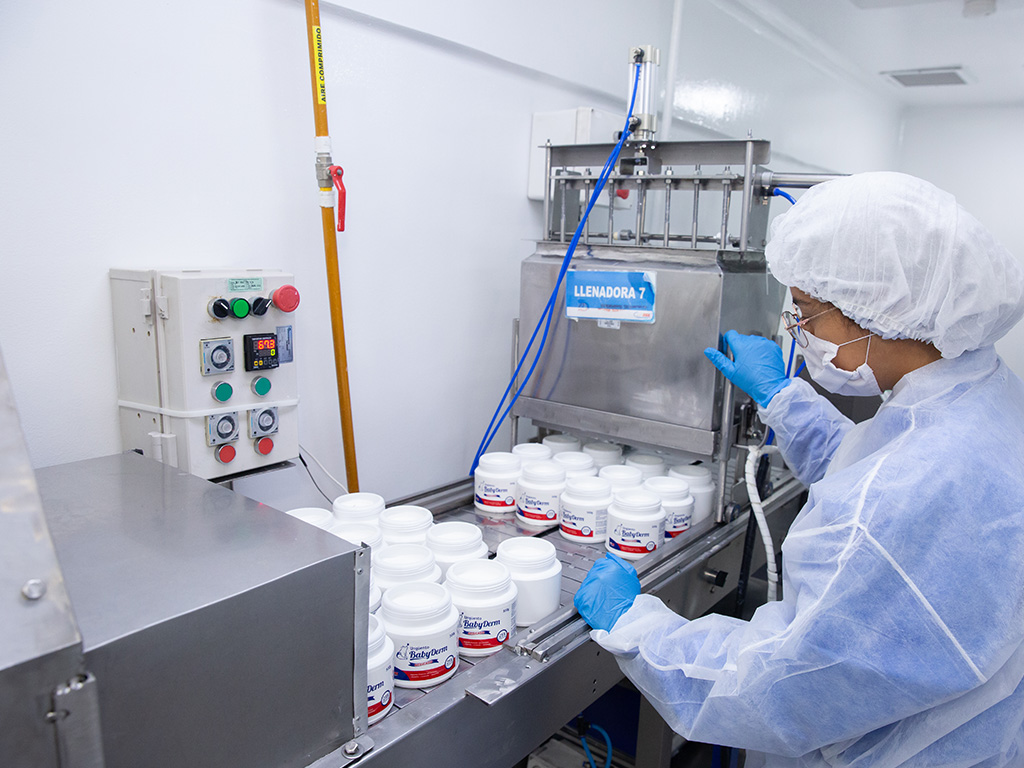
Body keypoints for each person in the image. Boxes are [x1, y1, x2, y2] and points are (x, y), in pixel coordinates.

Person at [574, 172, 1024, 767]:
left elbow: (778, 689)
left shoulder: (904, 492)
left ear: (883, 312)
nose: (797, 330)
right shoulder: (978, 394)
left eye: (808, 312)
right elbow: (872, 466)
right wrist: (783, 399)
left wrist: (639, 630)